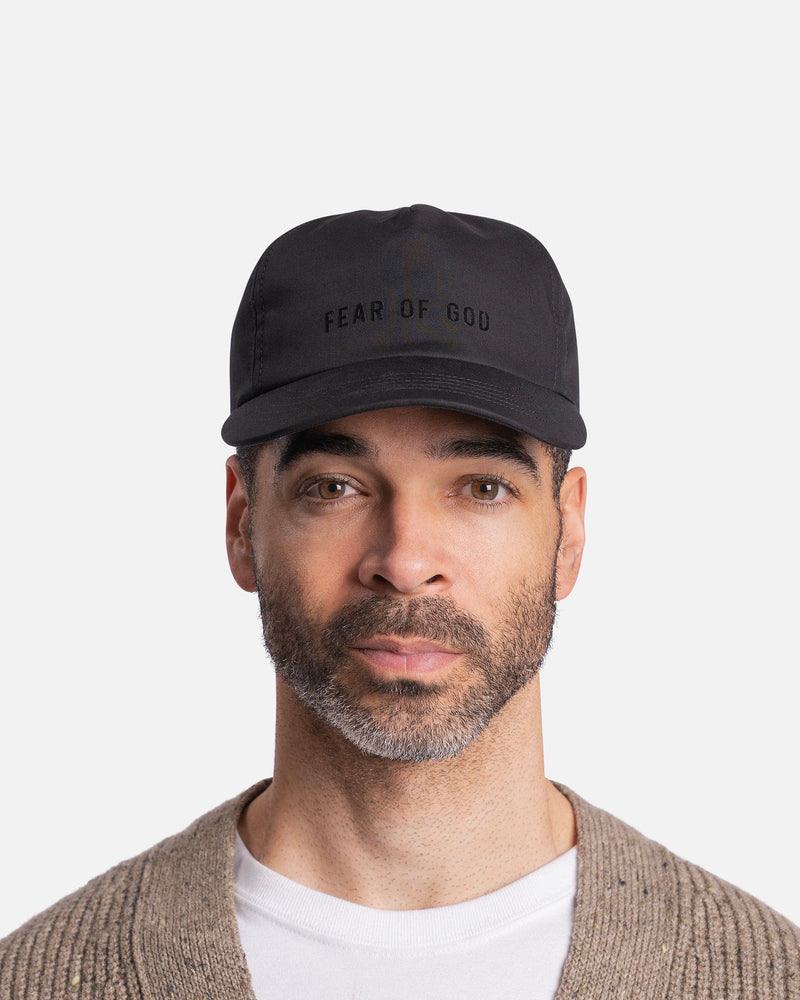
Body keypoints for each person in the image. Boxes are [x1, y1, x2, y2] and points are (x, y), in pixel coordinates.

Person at [1, 205, 797, 999]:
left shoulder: (764, 978)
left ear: (569, 532)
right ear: (242, 523)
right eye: (333, 488)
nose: (406, 562)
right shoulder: (41, 981)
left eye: (482, 488)